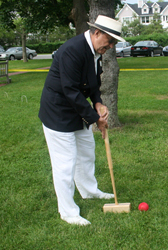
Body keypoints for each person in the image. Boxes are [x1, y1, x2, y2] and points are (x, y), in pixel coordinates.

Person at [38, 15, 125, 226]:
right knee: (65, 163)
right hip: (58, 113)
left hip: (78, 110)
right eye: (110, 41)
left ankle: (89, 191)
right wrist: (95, 118)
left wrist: (97, 102)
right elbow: (70, 90)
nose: (111, 46)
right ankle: (68, 212)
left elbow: (93, 84)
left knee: (86, 151)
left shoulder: (96, 50)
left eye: (114, 42)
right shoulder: (73, 50)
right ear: (97, 33)